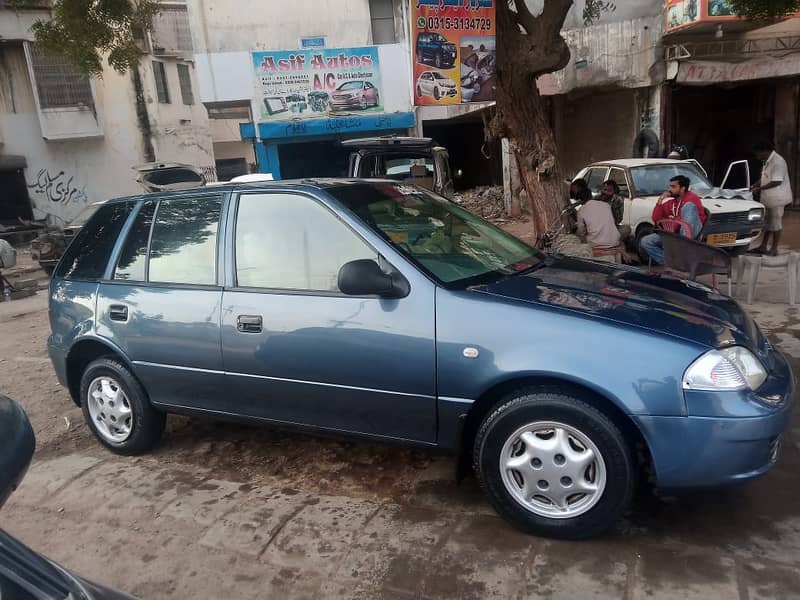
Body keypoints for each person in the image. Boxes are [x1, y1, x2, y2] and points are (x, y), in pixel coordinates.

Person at [639, 175, 706, 265]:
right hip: (675, 235)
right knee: (646, 241)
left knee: (688, 206)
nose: (669, 189)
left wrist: (671, 226)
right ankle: (672, 263)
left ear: (682, 189)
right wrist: (660, 200)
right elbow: (656, 218)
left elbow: (681, 220)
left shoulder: (691, 198)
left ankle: (684, 252)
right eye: (670, 186)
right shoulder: (671, 202)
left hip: (692, 231)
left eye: (673, 187)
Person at [751, 141, 793, 256]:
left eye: (758, 154)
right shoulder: (767, 160)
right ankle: (763, 246)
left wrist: (759, 189)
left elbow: (776, 181)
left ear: (765, 151)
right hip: (769, 198)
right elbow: (765, 177)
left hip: (777, 199)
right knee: (768, 223)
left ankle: (774, 249)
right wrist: (755, 185)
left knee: (776, 224)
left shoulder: (778, 162)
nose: (757, 156)